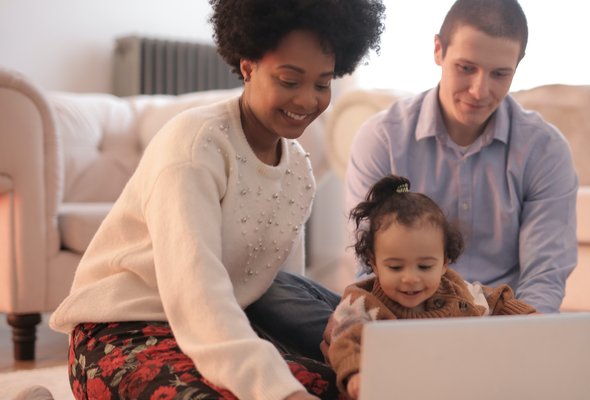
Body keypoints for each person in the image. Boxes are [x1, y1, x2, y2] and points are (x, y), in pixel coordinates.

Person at [48, 0, 385, 399]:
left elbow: (275, 289)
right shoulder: (196, 145)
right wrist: (280, 390)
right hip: (123, 331)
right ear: (248, 65)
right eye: (289, 81)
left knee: (355, 386)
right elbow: (197, 294)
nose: (307, 101)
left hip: (219, 329)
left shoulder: (299, 171)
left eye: (322, 84)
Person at [343, 1, 590, 399]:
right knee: (298, 301)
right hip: (402, 317)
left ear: (518, 65)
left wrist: (519, 342)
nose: (480, 90)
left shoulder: (544, 148)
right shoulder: (382, 138)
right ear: (438, 51)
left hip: (503, 321)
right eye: (466, 68)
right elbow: (367, 262)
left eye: (500, 73)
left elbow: (545, 273)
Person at [322, 175, 536, 398]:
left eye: (424, 267)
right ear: (373, 262)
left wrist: (529, 317)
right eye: (395, 267)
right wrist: (356, 373)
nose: (410, 278)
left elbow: (495, 299)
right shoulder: (360, 302)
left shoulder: (455, 290)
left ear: (444, 262)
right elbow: (345, 340)